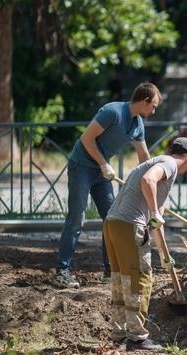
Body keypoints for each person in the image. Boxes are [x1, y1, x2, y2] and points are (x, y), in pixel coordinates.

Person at [54, 82, 161, 289]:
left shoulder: (137, 124)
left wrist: (152, 182)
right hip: (82, 167)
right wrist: (103, 163)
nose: (154, 110)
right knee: (77, 217)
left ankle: (110, 271)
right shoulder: (113, 111)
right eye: (153, 105)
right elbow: (86, 138)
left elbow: (144, 158)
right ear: (144, 101)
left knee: (111, 218)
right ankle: (61, 271)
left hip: (102, 173)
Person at [104, 137, 187, 351]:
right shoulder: (169, 165)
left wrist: (166, 256)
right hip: (129, 225)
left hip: (112, 224)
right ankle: (137, 338)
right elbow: (148, 181)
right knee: (140, 279)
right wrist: (154, 211)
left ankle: (118, 333)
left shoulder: (159, 163)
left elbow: (156, 223)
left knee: (121, 279)